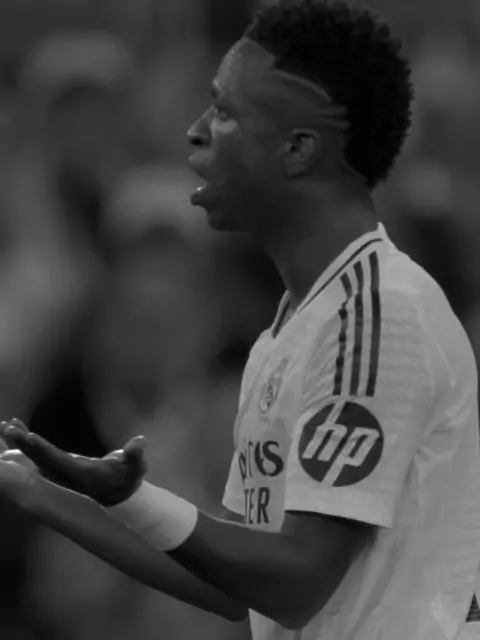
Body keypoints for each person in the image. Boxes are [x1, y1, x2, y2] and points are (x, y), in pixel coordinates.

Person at [0, 1, 478, 639]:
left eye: (225, 113)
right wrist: (40, 492)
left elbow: (298, 581)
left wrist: (125, 497)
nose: (196, 131)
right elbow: (234, 588)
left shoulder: (377, 316)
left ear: (298, 148)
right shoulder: (289, 331)